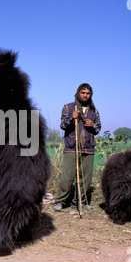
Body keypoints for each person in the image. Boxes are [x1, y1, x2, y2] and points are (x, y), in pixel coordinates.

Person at [53, 83, 101, 212]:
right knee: (67, 176)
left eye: (88, 93)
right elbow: (63, 125)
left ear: (90, 95)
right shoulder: (68, 108)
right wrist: (71, 118)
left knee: (85, 178)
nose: (85, 95)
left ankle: (80, 202)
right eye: (83, 93)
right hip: (71, 147)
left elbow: (97, 129)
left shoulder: (94, 111)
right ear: (78, 93)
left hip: (88, 148)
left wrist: (92, 125)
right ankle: (60, 201)